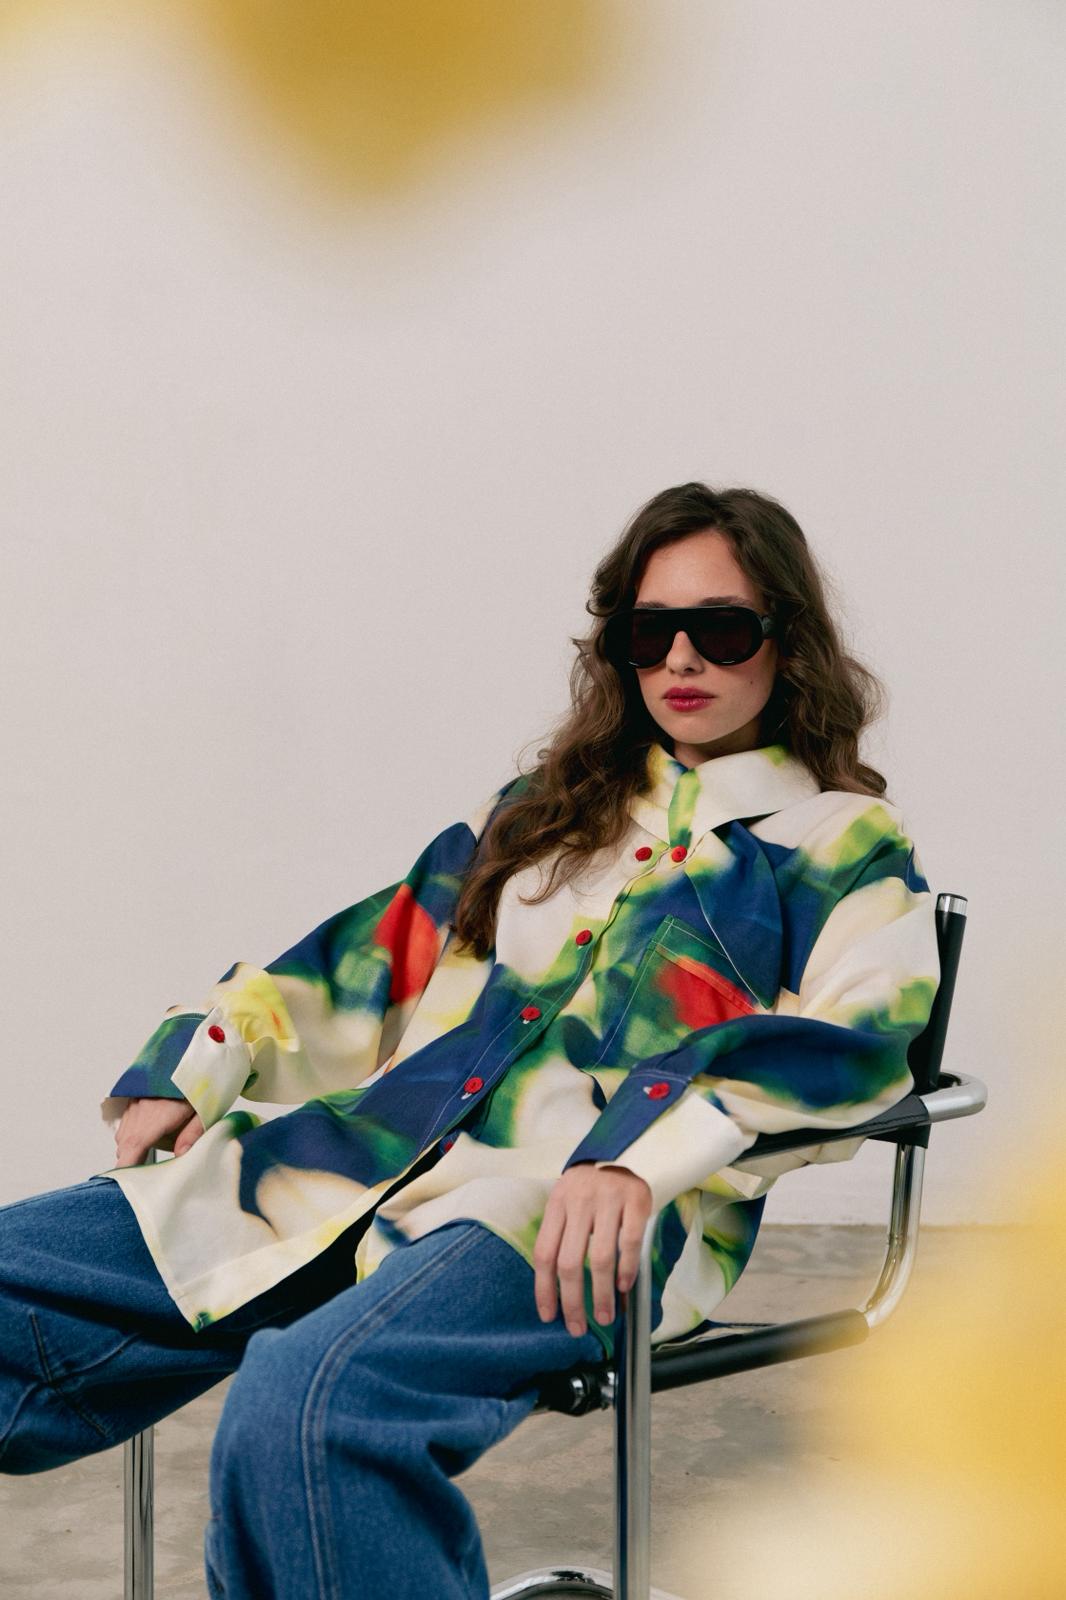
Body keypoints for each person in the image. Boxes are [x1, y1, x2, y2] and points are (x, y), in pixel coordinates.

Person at [0, 481, 941, 1598]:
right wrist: (200, 1056)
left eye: (722, 628)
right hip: (351, 1168)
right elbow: (370, 962)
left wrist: (638, 1149)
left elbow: (860, 1039)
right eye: (650, 633)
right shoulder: (545, 811)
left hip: (566, 1220)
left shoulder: (840, 842)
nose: (682, 658)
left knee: (308, 1407)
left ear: (788, 641)